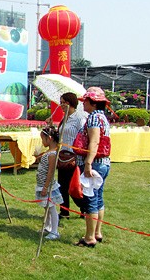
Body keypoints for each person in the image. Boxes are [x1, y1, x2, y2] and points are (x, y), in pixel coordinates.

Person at [74, 87, 111, 248]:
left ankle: (89, 237)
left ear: (94, 103)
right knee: (98, 197)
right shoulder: (103, 117)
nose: (83, 104)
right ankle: (97, 232)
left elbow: (94, 141)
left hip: (94, 163)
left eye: (86, 101)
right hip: (103, 163)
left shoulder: (94, 118)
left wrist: (88, 163)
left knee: (90, 199)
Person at [48, 92, 88, 220]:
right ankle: (64, 211)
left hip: (75, 157)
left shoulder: (79, 118)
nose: (62, 105)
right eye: (61, 102)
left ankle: (85, 209)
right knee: (62, 186)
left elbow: (84, 136)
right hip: (63, 156)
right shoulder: (64, 118)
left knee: (74, 187)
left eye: (64, 102)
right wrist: (51, 127)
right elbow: (60, 136)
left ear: (70, 102)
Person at [35, 125, 64, 240]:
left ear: (50, 138)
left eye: (43, 139)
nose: (42, 142)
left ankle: (55, 231)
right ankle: (47, 226)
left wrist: (46, 187)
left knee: (51, 208)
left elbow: (51, 172)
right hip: (42, 185)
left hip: (47, 187)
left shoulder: (52, 154)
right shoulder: (49, 152)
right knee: (46, 207)